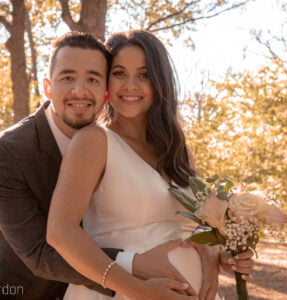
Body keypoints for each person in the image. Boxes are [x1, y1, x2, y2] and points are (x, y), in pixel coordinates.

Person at [0, 31, 234, 300]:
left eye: (144, 75)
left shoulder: (178, 152)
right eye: (120, 73)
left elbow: (196, 223)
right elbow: (50, 243)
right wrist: (137, 283)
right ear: (48, 87)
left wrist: (218, 251)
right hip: (34, 288)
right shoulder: (85, 142)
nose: (130, 85)